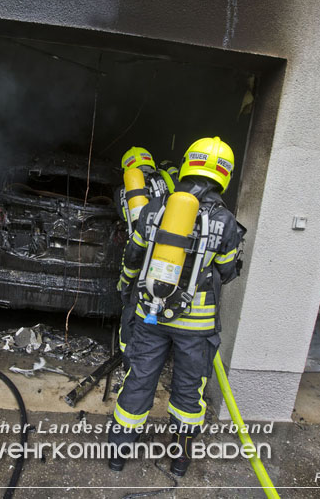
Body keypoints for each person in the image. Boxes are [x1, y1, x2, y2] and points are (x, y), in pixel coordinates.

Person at [109, 136, 244, 477]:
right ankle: (180, 459)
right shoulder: (226, 222)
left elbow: (133, 256)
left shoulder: (155, 208)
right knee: (188, 391)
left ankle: (118, 453)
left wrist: (126, 285)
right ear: (225, 173)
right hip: (196, 326)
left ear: (188, 163)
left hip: (150, 313)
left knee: (138, 379)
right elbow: (228, 272)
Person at [115, 147, 175, 362]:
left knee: (132, 303)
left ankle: (128, 357)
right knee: (163, 300)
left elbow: (127, 218)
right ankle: (156, 355)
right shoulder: (167, 179)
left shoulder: (128, 188)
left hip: (141, 252)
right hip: (170, 254)